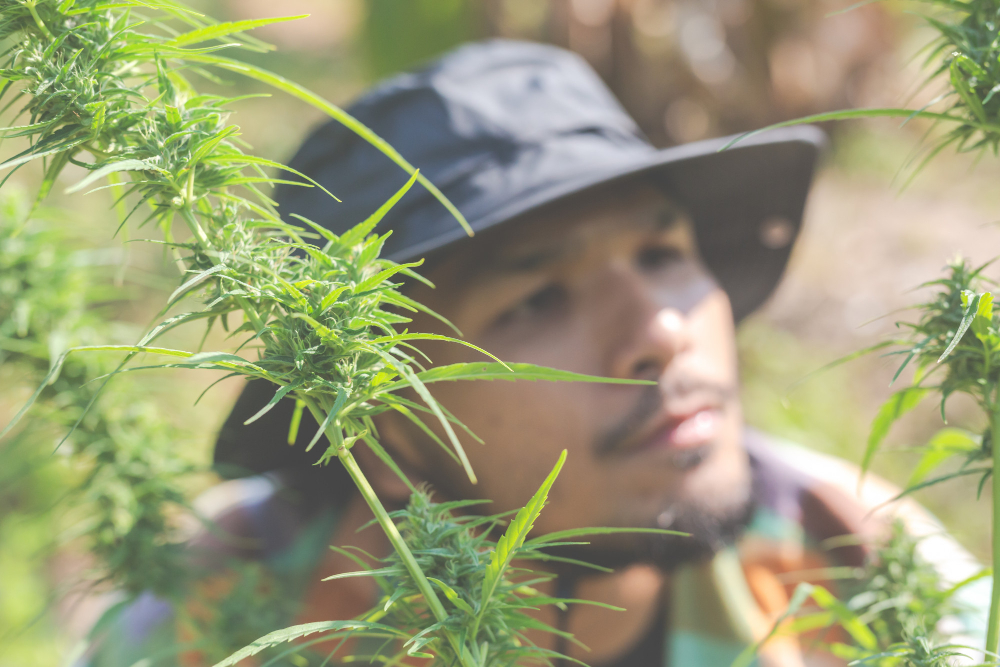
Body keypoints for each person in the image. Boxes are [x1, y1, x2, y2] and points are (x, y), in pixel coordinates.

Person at [83, 40, 986, 667]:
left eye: (663, 254)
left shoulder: (870, 570)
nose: (664, 333)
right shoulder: (208, 618)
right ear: (377, 435)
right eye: (538, 298)